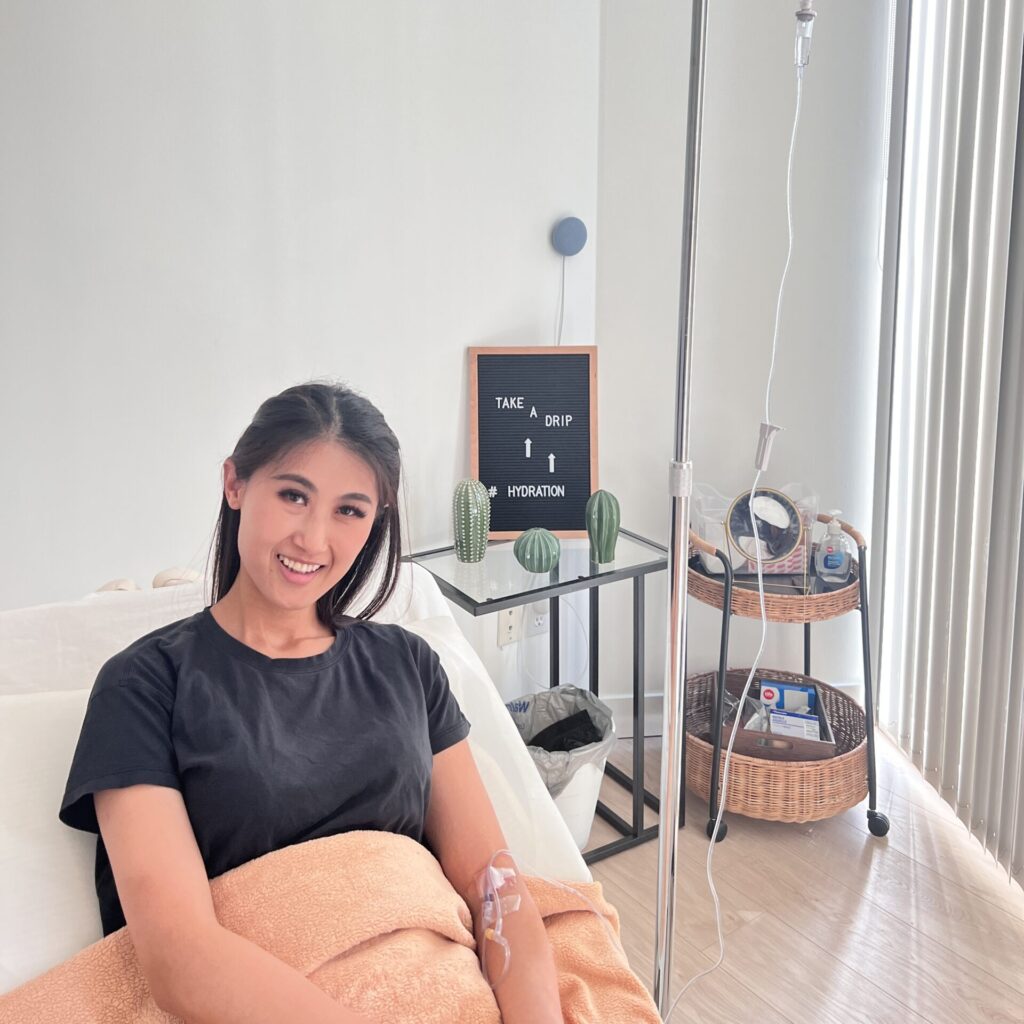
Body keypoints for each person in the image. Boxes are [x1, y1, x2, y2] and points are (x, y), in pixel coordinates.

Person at [58, 380, 564, 1024]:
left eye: (349, 511)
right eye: (293, 495)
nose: (313, 539)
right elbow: (180, 958)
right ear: (235, 485)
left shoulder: (408, 665)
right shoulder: (144, 685)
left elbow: (494, 884)